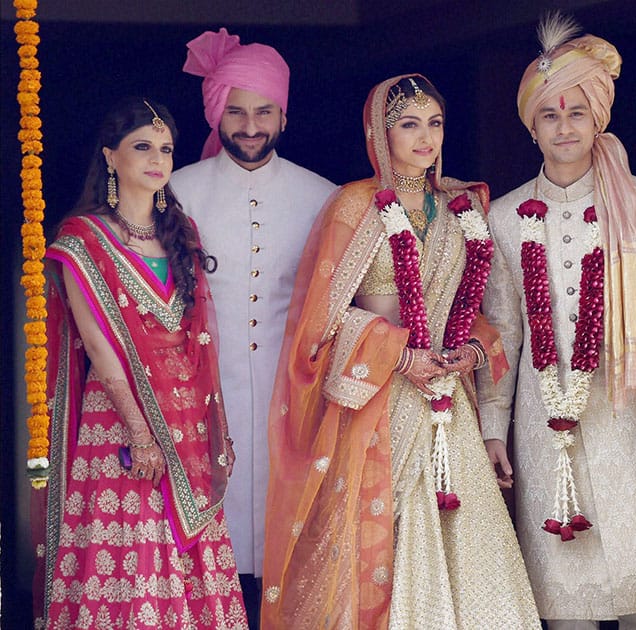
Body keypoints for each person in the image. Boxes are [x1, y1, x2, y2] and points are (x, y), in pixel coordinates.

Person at [259, 74, 540, 629]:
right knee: (382, 531)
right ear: (378, 132)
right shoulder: (355, 205)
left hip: (447, 399)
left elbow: (476, 309)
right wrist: (398, 352)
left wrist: (473, 351)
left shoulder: (459, 205)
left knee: (465, 530)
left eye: (434, 124)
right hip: (380, 399)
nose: (425, 137)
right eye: (409, 124)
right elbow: (323, 320)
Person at [479, 14, 636, 628]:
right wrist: (493, 427)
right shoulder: (504, 216)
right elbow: (503, 332)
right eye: (549, 115)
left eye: (577, 112)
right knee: (564, 603)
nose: (564, 127)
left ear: (599, 117)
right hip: (547, 428)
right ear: (531, 127)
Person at [38, 97, 247, 628]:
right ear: (111, 157)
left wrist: (210, 427)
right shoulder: (82, 240)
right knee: (133, 549)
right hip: (118, 422)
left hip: (185, 423)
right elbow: (100, 345)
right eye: (142, 147)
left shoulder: (182, 234)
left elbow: (197, 339)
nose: (157, 159)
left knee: (187, 550)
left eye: (166, 149)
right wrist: (138, 429)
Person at [169, 28, 337, 619]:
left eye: (263, 110)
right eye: (235, 110)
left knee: (288, 546)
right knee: (208, 552)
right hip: (196, 398)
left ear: (283, 114)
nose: (249, 125)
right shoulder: (175, 192)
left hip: (291, 398)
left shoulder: (324, 197)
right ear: (216, 111)